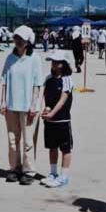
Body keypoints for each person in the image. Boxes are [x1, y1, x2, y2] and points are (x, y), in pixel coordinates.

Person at [0, 25, 43, 185]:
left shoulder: (35, 59)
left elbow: (37, 84)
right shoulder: (10, 58)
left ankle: (29, 170)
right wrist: (3, 101)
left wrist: (34, 104)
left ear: (28, 42)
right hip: (11, 105)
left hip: (28, 106)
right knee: (12, 139)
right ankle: (14, 167)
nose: (17, 41)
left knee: (28, 140)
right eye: (16, 38)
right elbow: (4, 80)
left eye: (21, 39)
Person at [40, 50, 75, 188]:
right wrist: (44, 109)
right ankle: (53, 173)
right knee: (52, 147)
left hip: (62, 120)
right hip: (49, 120)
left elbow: (62, 100)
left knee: (65, 149)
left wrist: (52, 113)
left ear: (63, 64)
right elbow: (43, 96)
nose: (53, 64)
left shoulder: (67, 79)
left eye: (57, 62)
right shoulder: (48, 78)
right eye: (53, 61)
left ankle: (63, 176)